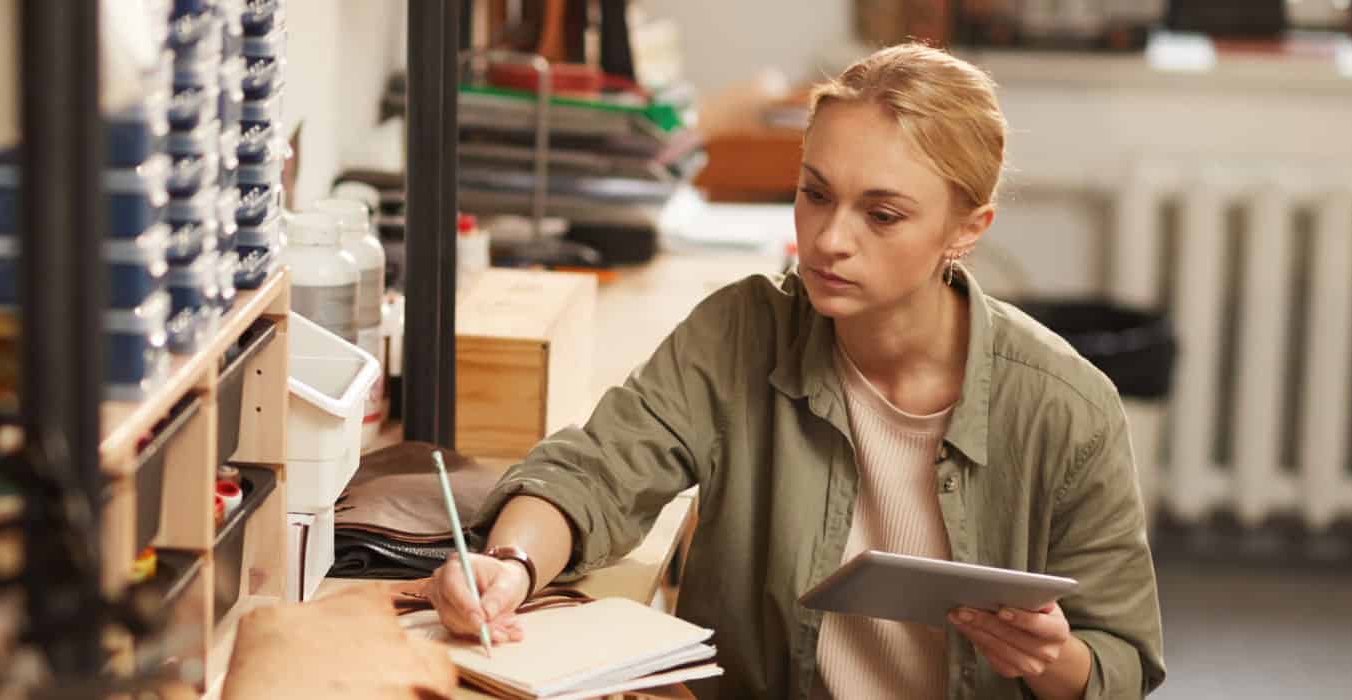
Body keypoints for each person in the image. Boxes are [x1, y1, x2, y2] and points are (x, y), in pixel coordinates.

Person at [426, 44, 1165, 700]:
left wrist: (1052, 659)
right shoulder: (740, 332)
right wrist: (511, 567)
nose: (827, 239)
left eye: (882, 215)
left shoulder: (1067, 407)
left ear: (967, 230)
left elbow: (1122, 662)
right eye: (815, 193)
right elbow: (593, 473)